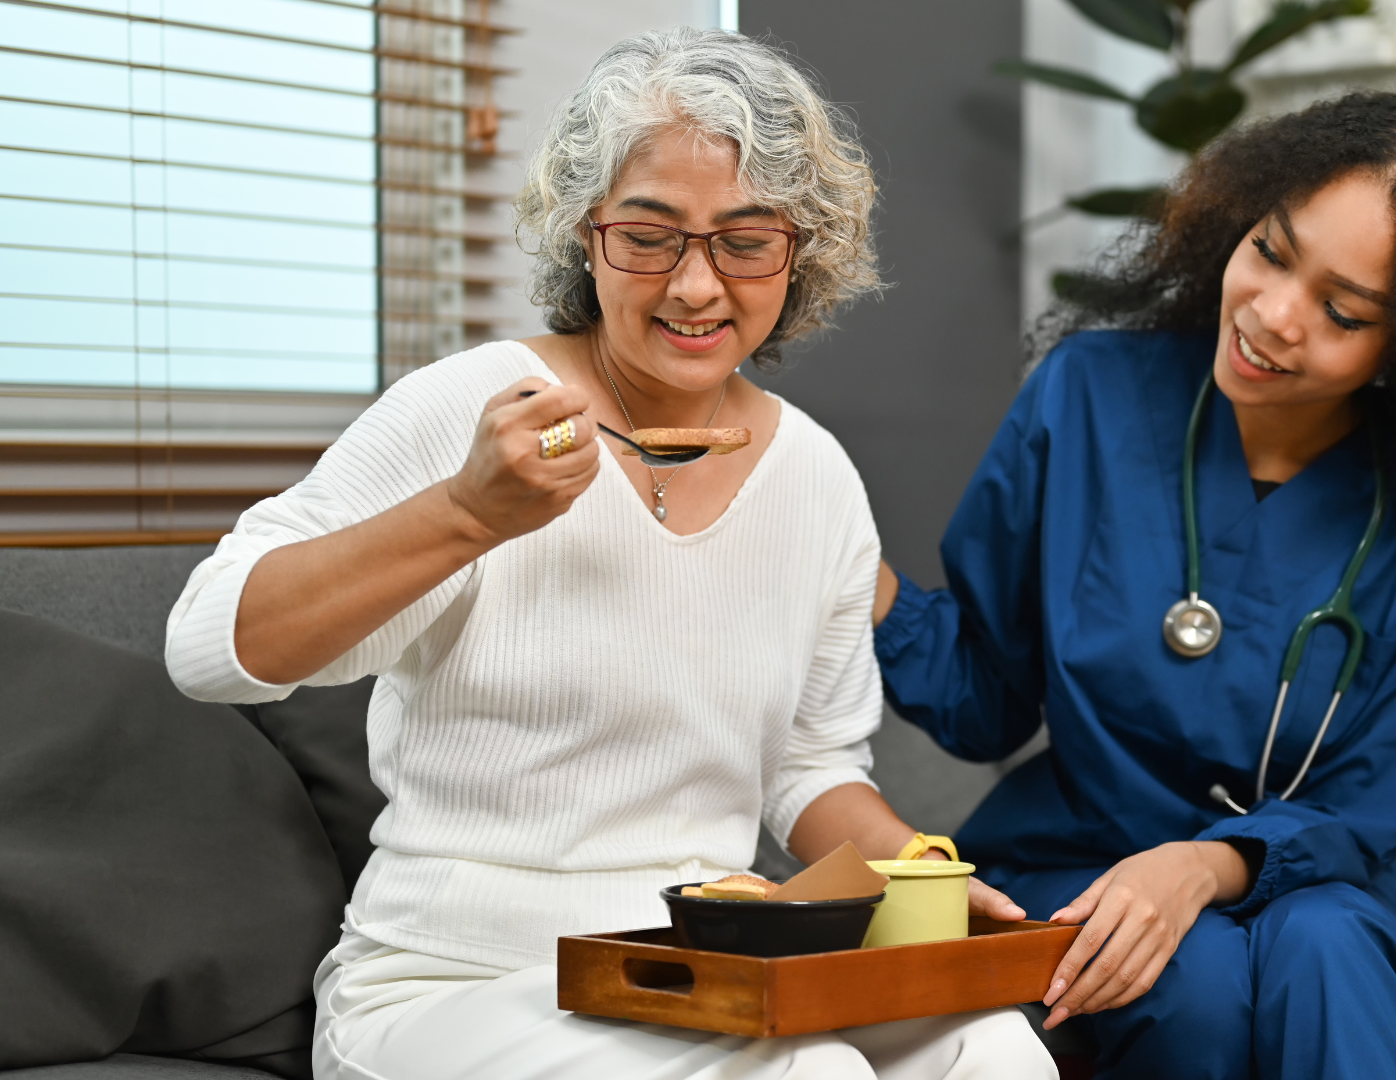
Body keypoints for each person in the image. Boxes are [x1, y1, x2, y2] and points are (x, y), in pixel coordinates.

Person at [166, 28, 1053, 1080]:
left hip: (695, 969)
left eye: (744, 239)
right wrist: (468, 511)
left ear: (798, 254)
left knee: (994, 1052)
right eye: (650, 234)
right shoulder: (476, 412)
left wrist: (914, 870)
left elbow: (809, 768)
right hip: (452, 985)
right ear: (587, 240)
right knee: (809, 1074)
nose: (694, 286)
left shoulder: (815, 477)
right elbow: (208, 649)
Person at [871, 93, 1396, 1080]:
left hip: (1320, 877)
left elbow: (1368, 804)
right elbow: (988, 694)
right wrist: (853, 581)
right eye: (1270, 250)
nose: (1273, 316)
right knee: (1195, 974)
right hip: (1083, 854)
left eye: (1343, 313)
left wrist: (1205, 865)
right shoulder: (1088, 399)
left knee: (1327, 945)